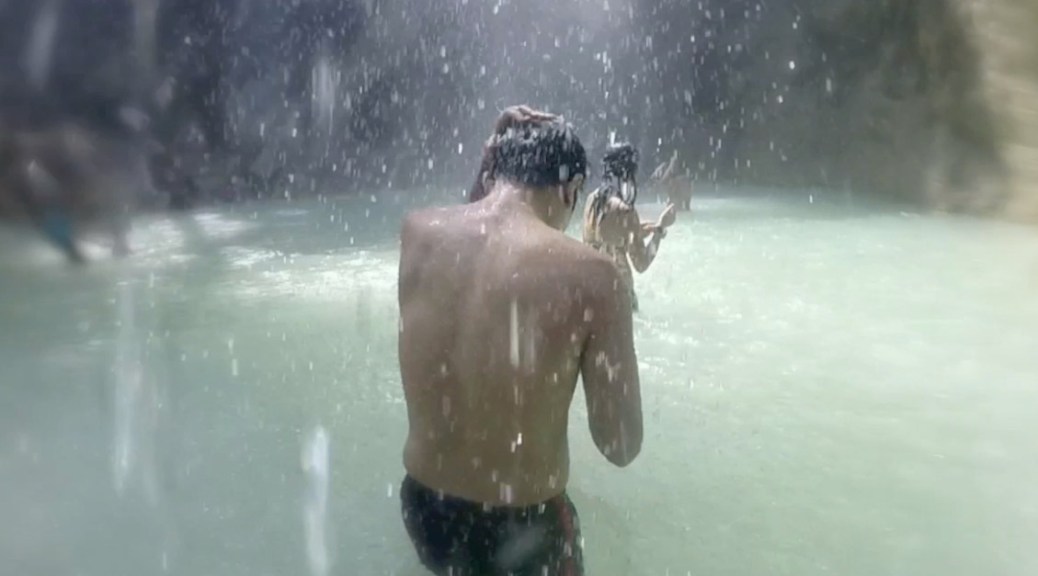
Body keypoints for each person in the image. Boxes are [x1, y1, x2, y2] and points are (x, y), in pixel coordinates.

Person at [398, 106, 644, 576]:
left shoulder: (418, 234)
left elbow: (476, 229)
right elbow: (620, 445)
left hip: (426, 510)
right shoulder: (595, 276)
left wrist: (491, 152)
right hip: (522, 530)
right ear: (571, 188)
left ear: (495, 169)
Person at [582, 143, 676, 311]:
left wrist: (640, 229)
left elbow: (607, 237)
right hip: (620, 296)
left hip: (592, 293)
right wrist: (660, 228)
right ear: (628, 174)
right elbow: (642, 263)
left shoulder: (592, 201)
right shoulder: (626, 211)